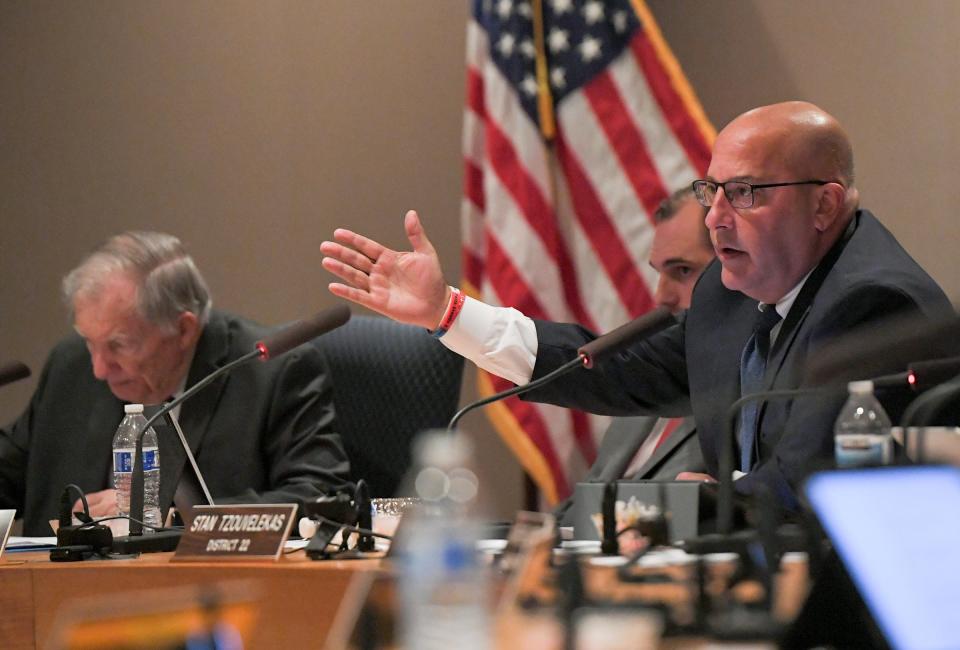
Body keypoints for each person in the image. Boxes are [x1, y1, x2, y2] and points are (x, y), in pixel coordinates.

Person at [320, 101, 952, 510]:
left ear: (824, 206)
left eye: (746, 193)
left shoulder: (874, 304)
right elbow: (615, 368)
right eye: (712, 191)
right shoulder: (730, 296)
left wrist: (681, 505)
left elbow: (805, 487)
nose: (716, 218)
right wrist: (449, 312)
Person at [0, 231, 351, 535]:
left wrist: (166, 518)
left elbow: (321, 496)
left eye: (119, 345)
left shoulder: (270, 372)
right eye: (90, 342)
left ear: (184, 329)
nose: (99, 369)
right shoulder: (70, 366)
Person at [554, 187, 713, 522]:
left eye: (683, 271)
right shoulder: (645, 380)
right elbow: (577, 514)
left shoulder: (749, 390)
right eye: (659, 273)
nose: (661, 296)